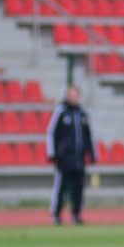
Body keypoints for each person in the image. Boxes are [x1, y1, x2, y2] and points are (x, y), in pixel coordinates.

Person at [46, 86, 96, 226]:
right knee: (61, 188)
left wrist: (91, 153)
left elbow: (89, 135)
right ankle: (56, 214)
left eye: (75, 95)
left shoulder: (82, 114)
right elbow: (52, 133)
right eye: (71, 95)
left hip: (79, 159)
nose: (73, 97)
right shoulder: (61, 112)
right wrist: (53, 154)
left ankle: (76, 214)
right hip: (64, 159)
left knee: (78, 189)